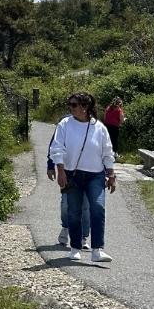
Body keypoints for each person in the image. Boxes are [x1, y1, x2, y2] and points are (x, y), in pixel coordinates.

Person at [49, 92, 116, 263]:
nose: (71, 108)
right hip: (73, 174)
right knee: (73, 211)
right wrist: (60, 171)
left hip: (96, 175)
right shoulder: (65, 124)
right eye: (69, 104)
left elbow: (107, 152)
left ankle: (97, 250)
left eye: (74, 105)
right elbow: (57, 148)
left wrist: (111, 174)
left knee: (97, 208)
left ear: (85, 107)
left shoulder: (99, 127)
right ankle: (75, 247)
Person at [47, 133, 89, 249]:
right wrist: (50, 166)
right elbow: (54, 146)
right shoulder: (64, 123)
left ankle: (83, 236)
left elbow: (102, 149)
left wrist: (107, 172)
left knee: (85, 206)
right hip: (68, 172)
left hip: (89, 172)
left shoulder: (94, 125)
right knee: (66, 203)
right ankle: (65, 227)